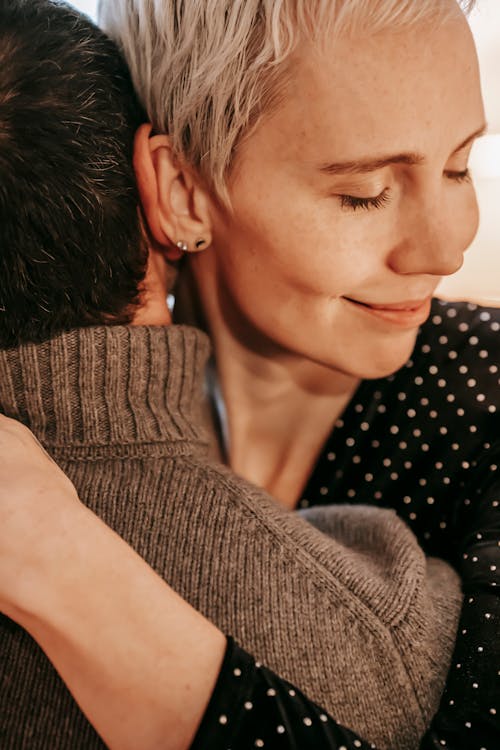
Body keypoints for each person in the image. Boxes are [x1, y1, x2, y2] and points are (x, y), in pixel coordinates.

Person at [0, 2, 462, 749]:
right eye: (363, 191)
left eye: (462, 163)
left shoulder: (473, 389)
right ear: (176, 192)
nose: (448, 251)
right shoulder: (374, 627)